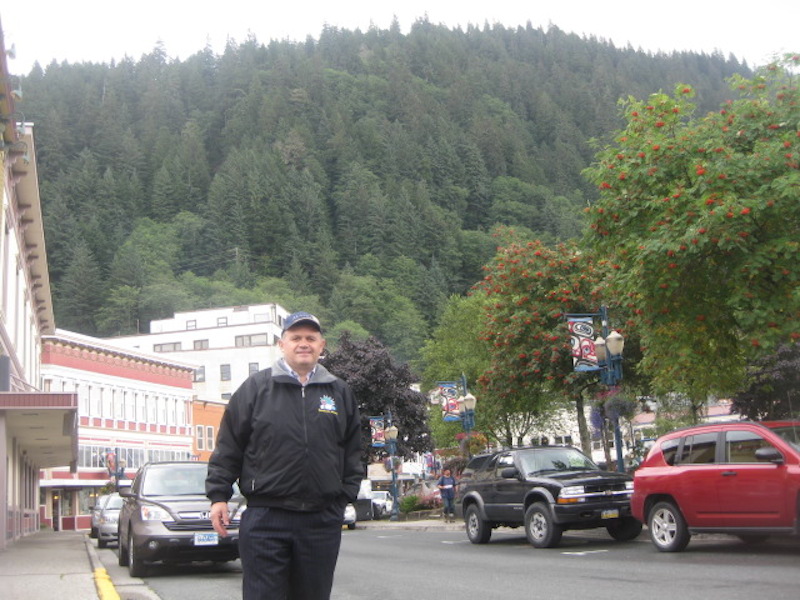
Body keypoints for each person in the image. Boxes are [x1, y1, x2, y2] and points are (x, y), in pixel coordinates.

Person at [206, 311, 363, 600]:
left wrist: (343, 497)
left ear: (321, 345)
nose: (303, 344)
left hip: (320, 520)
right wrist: (218, 496)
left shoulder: (339, 392)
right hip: (265, 518)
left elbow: (354, 450)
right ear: (282, 344)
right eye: (296, 338)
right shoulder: (255, 388)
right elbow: (229, 446)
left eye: (310, 338)